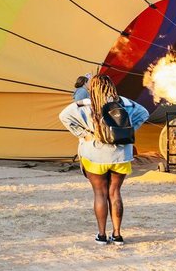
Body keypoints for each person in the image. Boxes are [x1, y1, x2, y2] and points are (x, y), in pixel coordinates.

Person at [58, 74, 149, 244]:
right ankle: (117, 235)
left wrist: (83, 134)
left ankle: (101, 235)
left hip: (95, 154)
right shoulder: (125, 103)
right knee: (115, 193)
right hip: (121, 155)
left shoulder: (86, 104)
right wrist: (128, 131)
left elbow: (64, 116)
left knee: (100, 193)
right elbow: (144, 113)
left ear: (92, 88)